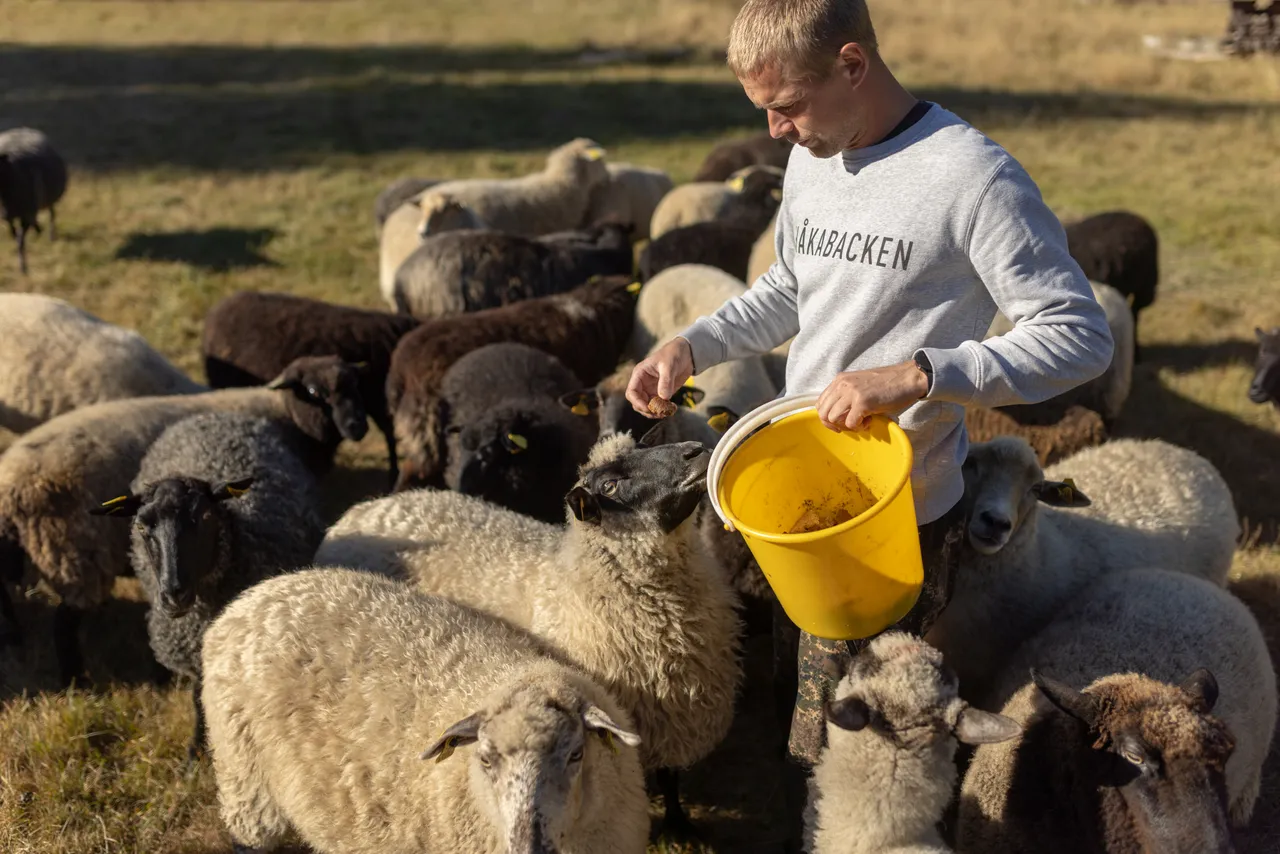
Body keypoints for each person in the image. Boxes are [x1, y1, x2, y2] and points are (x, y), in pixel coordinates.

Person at [625, 0, 1114, 770]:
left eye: (786, 106)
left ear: (852, 65)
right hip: (803, 497)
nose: (776, 130)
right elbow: (792, 285)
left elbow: (1081, 337)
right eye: (764, 111)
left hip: (899, 513)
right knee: (806, 700)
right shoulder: (812, 153)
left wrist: (924, 374)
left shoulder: (973, 178)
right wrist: (694, 344)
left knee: (870, 738)